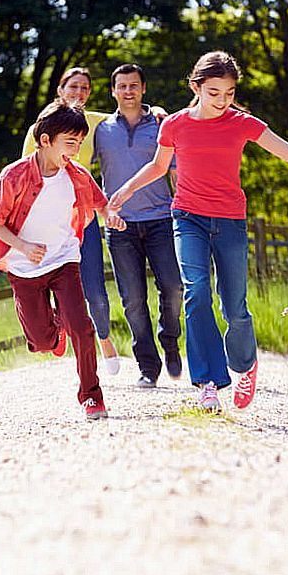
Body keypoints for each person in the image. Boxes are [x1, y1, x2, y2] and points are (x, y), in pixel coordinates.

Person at [108, 50, 288, 412]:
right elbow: (159, 167)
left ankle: (244, 365)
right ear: (196, 87)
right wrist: (125, 191)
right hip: (188, 217)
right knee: (196, 292)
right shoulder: (173, 124)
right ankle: (207, 381)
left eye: (229, 93)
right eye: (214, 92)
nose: (222, 101)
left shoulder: (243, 123)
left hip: (230, 221)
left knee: (234, 306)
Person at [0, 99, 127, 420]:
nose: (75, 151)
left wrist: (111, 216)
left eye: (79, 143)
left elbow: (99, 203)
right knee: (41, 340)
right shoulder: (14, 176)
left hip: (64, 259)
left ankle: (91, 395)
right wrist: (21, 246)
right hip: (24, 267)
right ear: (45, 141)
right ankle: (54, 332)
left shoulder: (77, 175)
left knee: (82, 325)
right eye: (70, 143)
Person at [21, 67, 122, 375]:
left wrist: (154, 111)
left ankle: (103, 337)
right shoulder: (42, 128)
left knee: (95, 292)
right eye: (73, 87)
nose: (79, 93)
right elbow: (26, 173)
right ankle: (59, 327)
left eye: (85, 88)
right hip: (48, 222)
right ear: (60, 90)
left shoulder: (96, 122)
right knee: (50, 286)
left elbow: (127, 116)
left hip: (84, 217)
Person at [93, 63, 184, 388]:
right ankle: (148, 366)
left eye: (134, 85)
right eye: (122, 86)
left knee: (173, 288)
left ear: (143, 88)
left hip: (160, 219)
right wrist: (101, 210)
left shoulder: (161, 124)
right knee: (132, 299)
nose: (128, 91)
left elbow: (176, 172)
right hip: (119, 226)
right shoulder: (101, 130)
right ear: (113, 91)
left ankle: (170, 339)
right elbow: (78, 169)